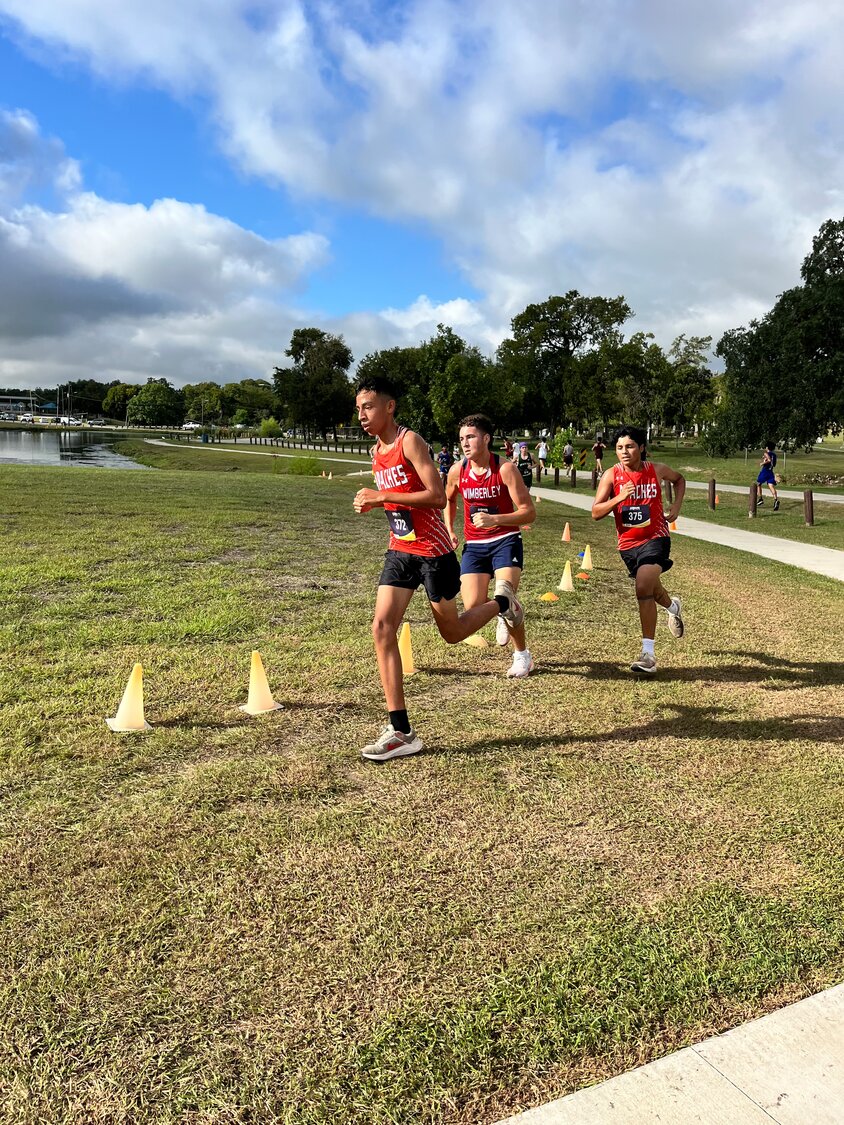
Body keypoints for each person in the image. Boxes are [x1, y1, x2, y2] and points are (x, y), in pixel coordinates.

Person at [353, 377, 523, 761]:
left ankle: (502, 604)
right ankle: (401, 730)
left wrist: (381, 497)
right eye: (359, 408)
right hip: (400, 549)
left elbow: (433, 496)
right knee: (382, 628)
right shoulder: (375, 451)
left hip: (434, 553)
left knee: (453, 632)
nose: (362, 415)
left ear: (389, 406)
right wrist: (377, 503)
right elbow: (401, 505)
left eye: (368, 406)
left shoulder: (409, 441)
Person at [446, 414, 536, 678]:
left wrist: (494, 519)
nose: (465, 443)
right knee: (474, 606)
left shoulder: (505, 469)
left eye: (471, 437)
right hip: (474, 545)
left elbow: (528, 512)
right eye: (462, 438)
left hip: (505, 540)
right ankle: (501, 611)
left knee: (505, 594)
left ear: (486, 438)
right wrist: (450, 530)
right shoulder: (457, 471)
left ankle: (522, 656)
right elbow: (448, 500)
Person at [591, 425, 686, 675]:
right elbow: (596, 512)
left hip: (656, 537)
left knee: (643, 587)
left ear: (641, 448)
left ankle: (648, 655)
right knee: (651, 589)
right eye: (620, 447)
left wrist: (676, 506)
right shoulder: (611, 475)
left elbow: (679, 480)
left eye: (630, 446)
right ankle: (673, 607)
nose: (624, 452)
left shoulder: (655, 470)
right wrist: (619, 498)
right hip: (628, 545)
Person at [756, 443, 780, 510]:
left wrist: (763, 463)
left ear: (767, 447)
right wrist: (766, 460)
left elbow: (769, 460)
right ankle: (776, 500)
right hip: (771, 472)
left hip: (765, 471)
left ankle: (760, 499)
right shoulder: (774, 455)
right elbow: (774, 464)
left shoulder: (766, 453)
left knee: (758, 484)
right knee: (771, 485)